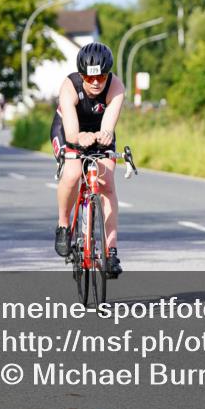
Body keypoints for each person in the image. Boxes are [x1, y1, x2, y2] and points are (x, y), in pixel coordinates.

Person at [51, 42, 126, 279]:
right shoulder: (69, 86)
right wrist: (78, 139)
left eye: (101, 77)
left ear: (108, 74)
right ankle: (64, 225)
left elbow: (108, 126)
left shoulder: (116, 87)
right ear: (81, 75)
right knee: (73, 173)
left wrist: (103, 135)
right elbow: (72, 132)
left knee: (106, 184)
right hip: (69, 129)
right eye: (89, 77)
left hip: (99, 132)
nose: (95, 83)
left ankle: (111, 251)